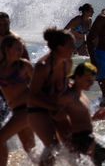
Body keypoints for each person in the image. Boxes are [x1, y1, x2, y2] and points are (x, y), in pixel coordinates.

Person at [27, 28, 75, 165]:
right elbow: (32, 96)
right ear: (59, 47)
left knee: (74, 145)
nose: (74, 48)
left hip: (56, 108)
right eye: (71, 45)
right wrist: (53, 106)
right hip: (37, 110)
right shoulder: (43, 66)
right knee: (54, 146)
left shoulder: (68, 63)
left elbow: (65, 88)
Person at [57, 62, 105, 165]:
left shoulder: (82, 95)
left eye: (93, 81)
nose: (91, 83)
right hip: (79, 140)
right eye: (88, 80)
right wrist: (67, 142)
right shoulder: (68, 96)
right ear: (77, 77)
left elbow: (80, 119)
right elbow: (57, 118)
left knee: (101, 161)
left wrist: (94, 117)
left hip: (86, 138)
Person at [0, 35, 36, 166]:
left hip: (27, 110)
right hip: (17, 112)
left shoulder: (24, 66)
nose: (20, 51)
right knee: (30, 149)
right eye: (17, 48)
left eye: (21, 48)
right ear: (6, 49)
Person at [0, 12, 30, 123]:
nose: (3, 27)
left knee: (9, 113)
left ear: (9, 23)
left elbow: (26, 61)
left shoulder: (16, 40)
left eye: (5, 24)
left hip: (13, 82)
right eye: (0, 24)